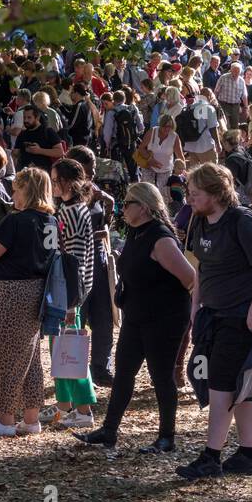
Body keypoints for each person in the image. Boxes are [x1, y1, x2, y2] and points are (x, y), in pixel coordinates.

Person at [177, 163, 252, 479]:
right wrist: (196, 306)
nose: (190, 200)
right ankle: (249, 454)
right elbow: (201, 268)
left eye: (196, 194)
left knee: (222, 386)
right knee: (242, 388)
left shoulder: (243, 221)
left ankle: (211, 456)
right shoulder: (202, 221)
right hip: (215, 315)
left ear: (216, 193)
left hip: (241, 319)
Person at [77, 183, 195, 452]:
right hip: (137, 315)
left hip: (164, 318)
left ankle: (167, 437)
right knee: (124, 374)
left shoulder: (161, 238)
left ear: (143, 207)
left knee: (161, 376)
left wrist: (192, 315)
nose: (122, 208)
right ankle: (109, 431)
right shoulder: (137, 232)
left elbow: (190, 279)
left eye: (127, 203)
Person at [0, 167, 58, 436]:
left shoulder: (15, 220)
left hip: (7, 294)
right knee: (29, 359)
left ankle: (5, 421)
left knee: (3, 357)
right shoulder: (51, 222)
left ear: (27, 190)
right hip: (37, 293)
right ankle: (31, 420)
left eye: (17, 189)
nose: (13, 194)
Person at [38, 159, 99, 430]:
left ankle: (83, 408)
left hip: (69, 290)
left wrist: (71, 301)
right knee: (61, 347)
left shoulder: (70, 212)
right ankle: (64, 405)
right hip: (73, 288)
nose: (52, 185)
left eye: (55, 179)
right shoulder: (75, 208)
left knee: (69, 349)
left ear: (66, 182)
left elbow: (71, 258)